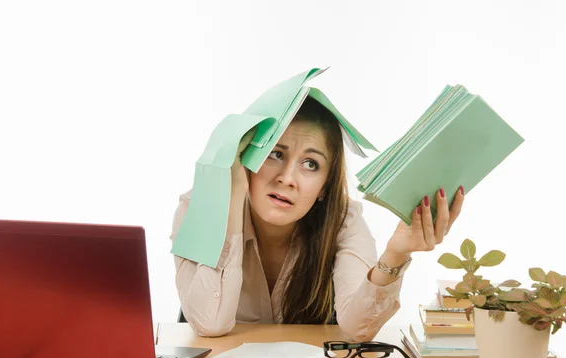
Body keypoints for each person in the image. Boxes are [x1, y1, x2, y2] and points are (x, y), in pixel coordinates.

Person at [170, 97, 464, 341]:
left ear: (325, 185)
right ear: (247, 159)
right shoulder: (196, 208)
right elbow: (210, 323)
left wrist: (397, 252)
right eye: (275, 154)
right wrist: (233, 193)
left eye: (310, 164)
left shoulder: (343, 219)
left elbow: (358, 329)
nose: (287, 179)